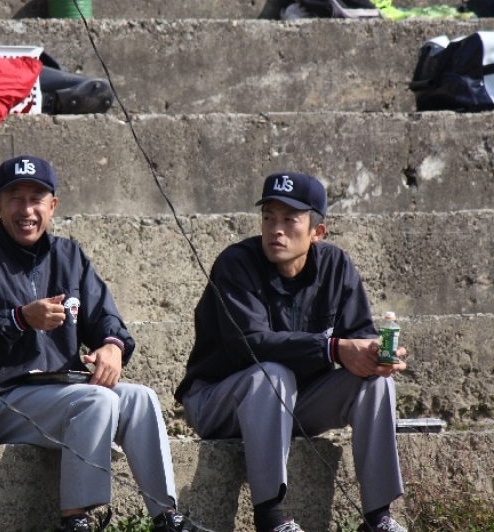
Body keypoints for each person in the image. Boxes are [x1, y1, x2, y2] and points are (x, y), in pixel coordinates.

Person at [0, 155, 190, 532]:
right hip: (2, 400)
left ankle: (166, 517)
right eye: (15, 198)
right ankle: (75, 520)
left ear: (52, 205)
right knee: (98, 400)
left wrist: (112, 346)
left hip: (63, 393)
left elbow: (106, 318)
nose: (27, 210)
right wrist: (19, 319)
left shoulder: (69, 256)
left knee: (141, 398)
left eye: (36, 199)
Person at [174, 172, 408, 532]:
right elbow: (249, 344)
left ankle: (378, 517)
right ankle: (271, 517)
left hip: (294, 403)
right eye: (268, 217)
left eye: (289, 219)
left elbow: (358, 337)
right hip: (217, 401)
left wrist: (375, 355)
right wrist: (332, 348)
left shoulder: (336, 266)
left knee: (375, 383)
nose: (276, 230)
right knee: (273, 372)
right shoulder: (236, 264)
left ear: (317, 232)